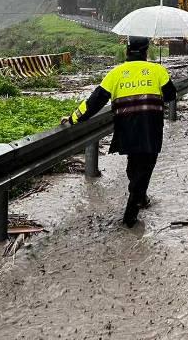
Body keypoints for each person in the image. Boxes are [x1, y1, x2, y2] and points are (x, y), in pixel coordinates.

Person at [61, 36, 176, 227]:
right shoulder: (158, 71)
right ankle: (130, 215)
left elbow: (94, 102)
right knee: (144, 168)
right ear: (146, 52)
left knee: (134, 166)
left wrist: (73, 118)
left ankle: (140, 196)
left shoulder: (115, 74)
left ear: (127, 52)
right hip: (151, 129)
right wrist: (160, 79)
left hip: (126, 131)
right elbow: (171, 96)